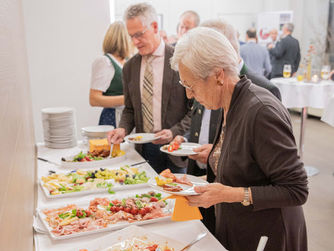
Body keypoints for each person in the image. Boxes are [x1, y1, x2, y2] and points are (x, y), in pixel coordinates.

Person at [171, 27, 308, 250]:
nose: (188, 94)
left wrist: (227, 194)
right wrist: (212, 165)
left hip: (267, 235)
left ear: (218, 75)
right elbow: (247, 166)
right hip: (241, 228)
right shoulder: (228, 102)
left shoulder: (261, 111)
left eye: (190, 85)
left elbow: (297, 189)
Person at [107, 3, 191, 174]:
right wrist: (123, 128)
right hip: (142, 151)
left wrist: (174, 132)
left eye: (139, 34)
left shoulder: (180, 60)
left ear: (154, 27)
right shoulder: (130, 67)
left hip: (174, 149)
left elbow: (195, 110)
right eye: (131, 36)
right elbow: (130, 109)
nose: (135, 42)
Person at [89, 21, 132, 127]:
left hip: (128, 118)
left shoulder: (128, 60)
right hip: (112, 118)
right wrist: (129, 99)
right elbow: (94, 99)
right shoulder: (104, 62)